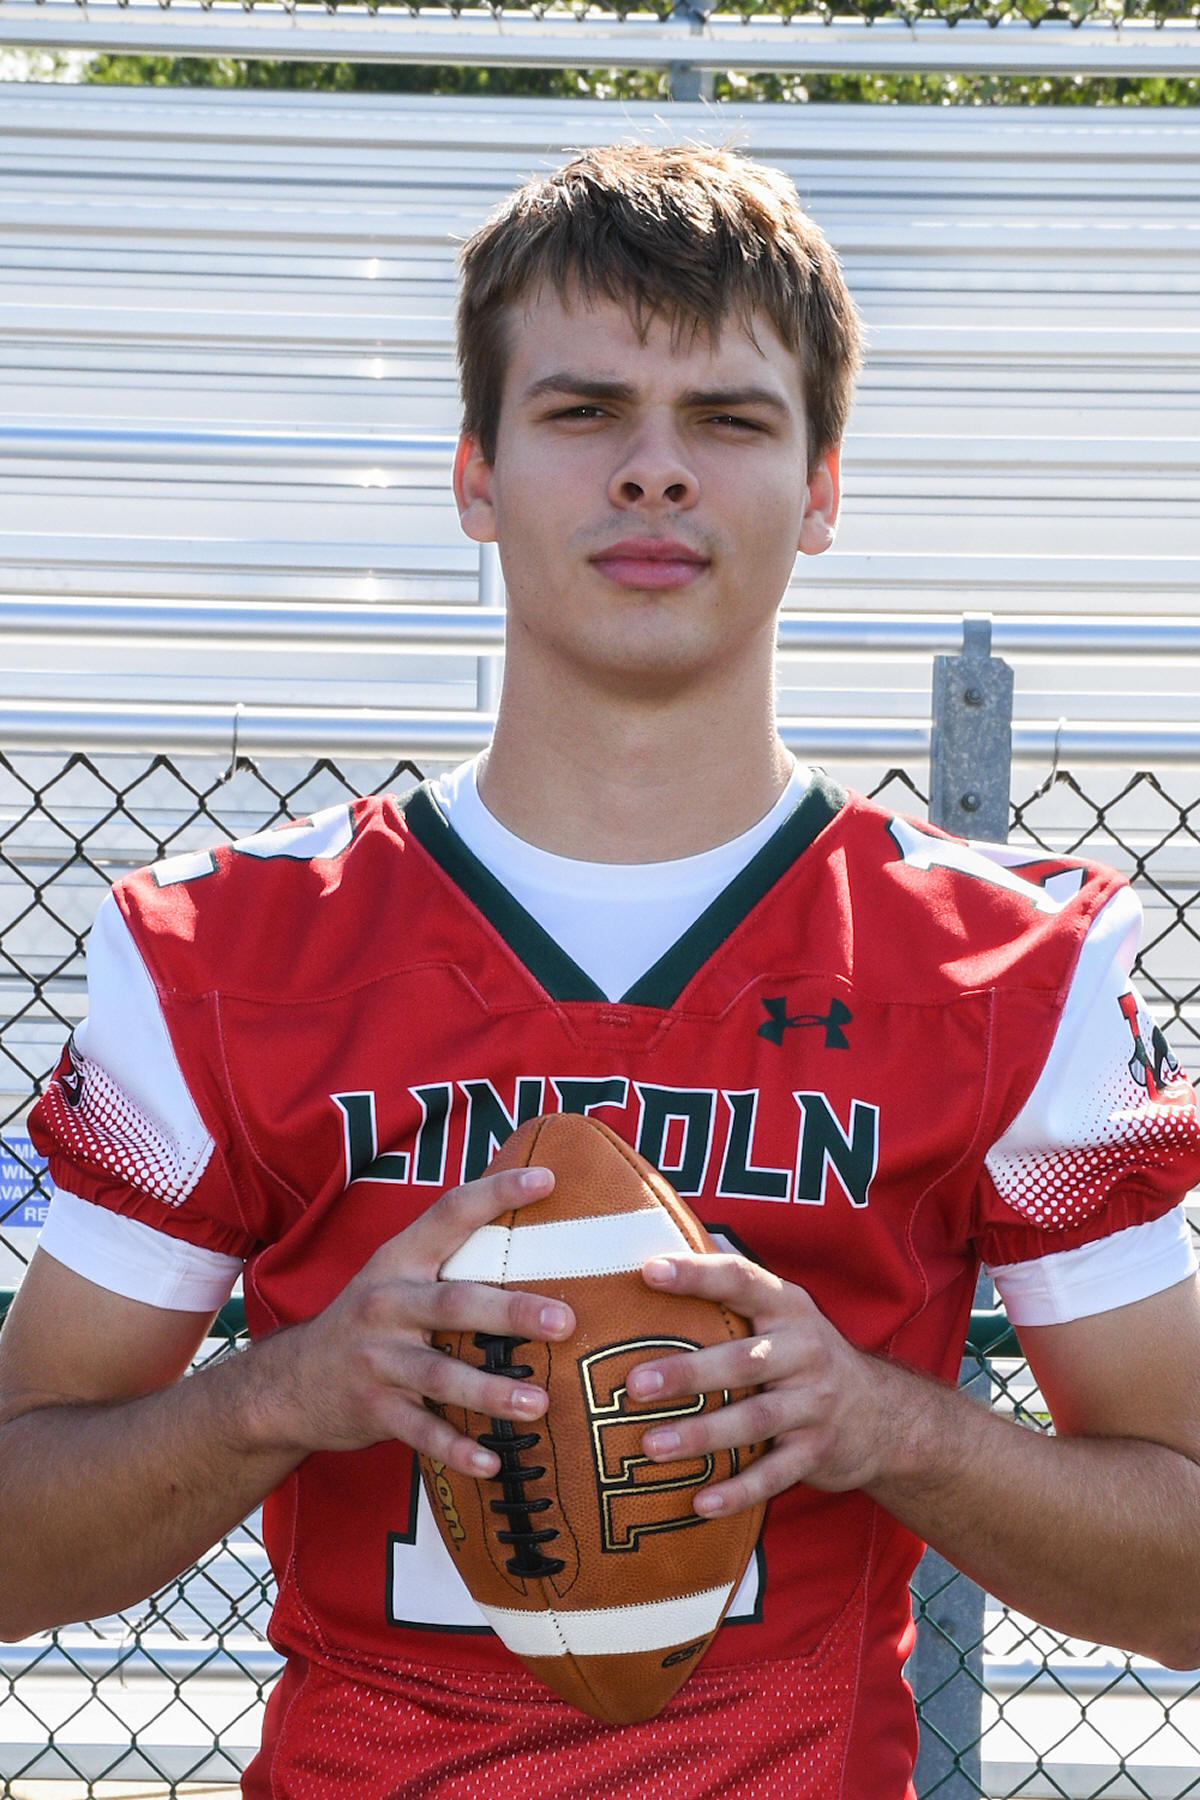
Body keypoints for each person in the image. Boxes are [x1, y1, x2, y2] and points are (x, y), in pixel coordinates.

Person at [3, 142, 1200, 1800]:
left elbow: (1184, 1581)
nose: (654, 474)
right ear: (476, 477)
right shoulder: (224, 953)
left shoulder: (1011, 966)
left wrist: (889, 1426)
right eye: (583, 413)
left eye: (728, 420)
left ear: (824, 488)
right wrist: (282, 1395)